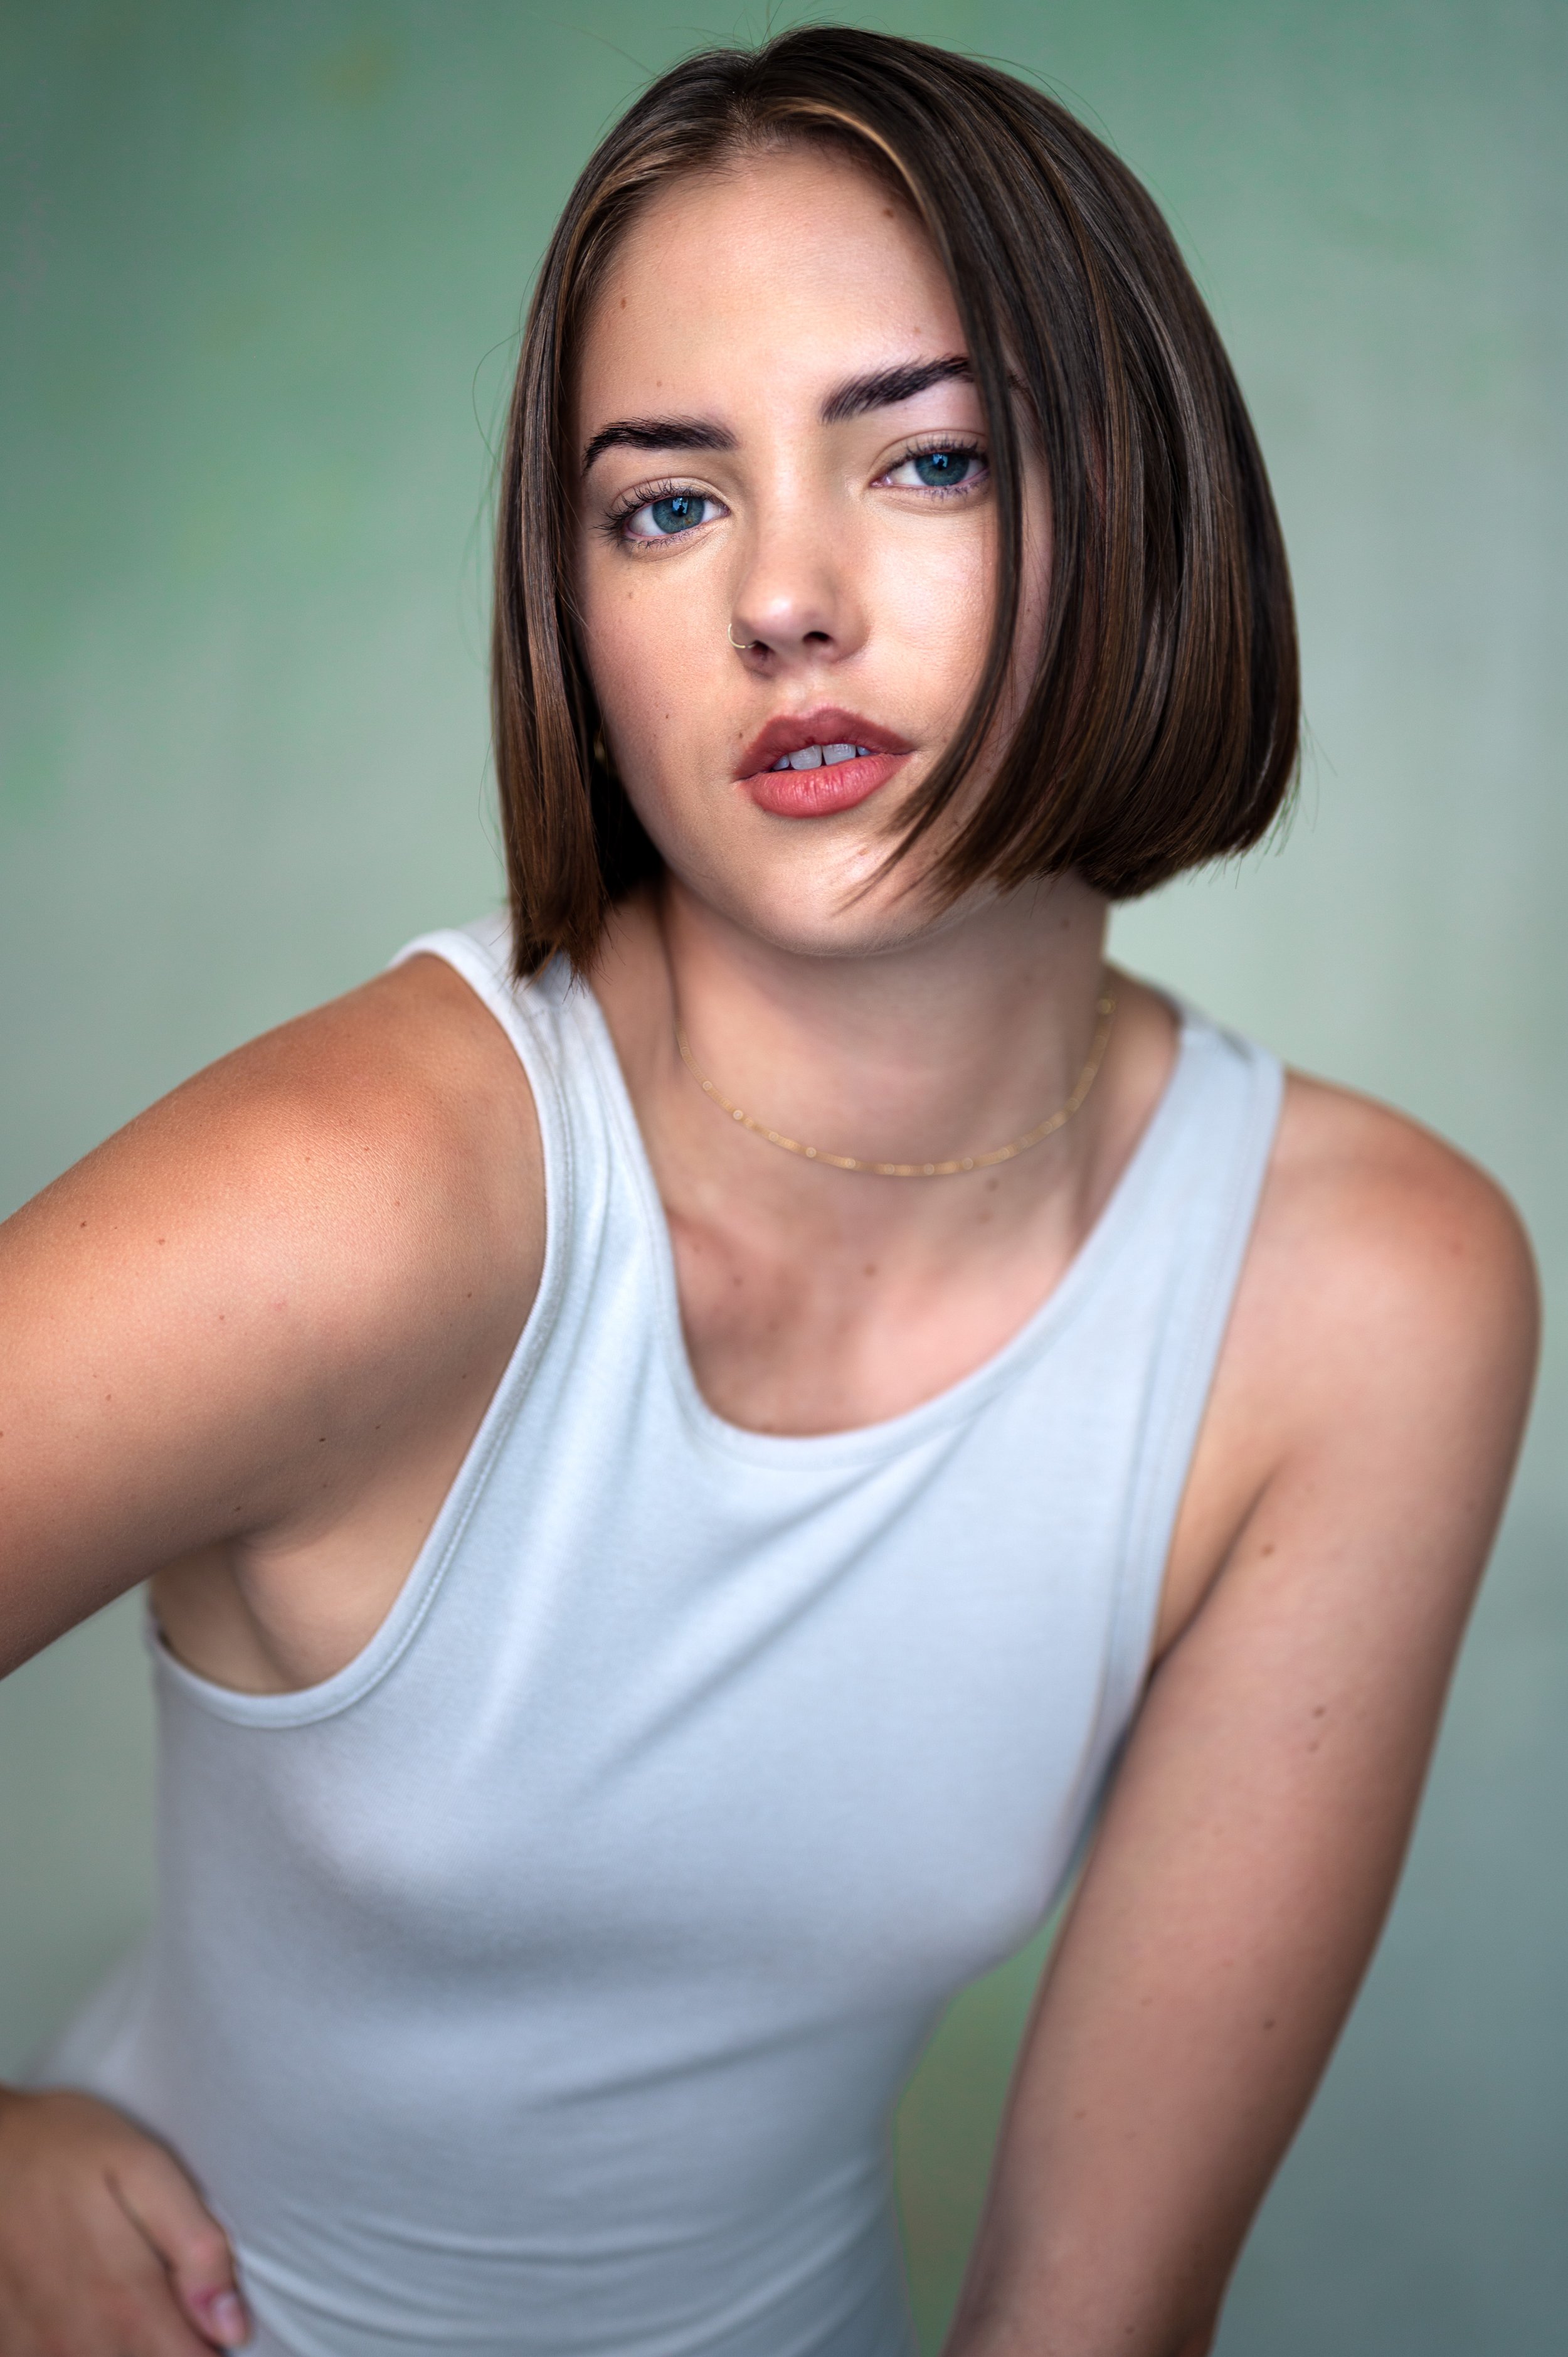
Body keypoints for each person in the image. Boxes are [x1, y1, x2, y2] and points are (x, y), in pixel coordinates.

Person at [0, 26, 1538, 2357]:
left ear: (1141, 507)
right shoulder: (366, 1193)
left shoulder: (1361, 1291)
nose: (783, 603)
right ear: (582, 620)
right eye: (665, 504)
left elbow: (1089, 2309)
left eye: (923, 460)